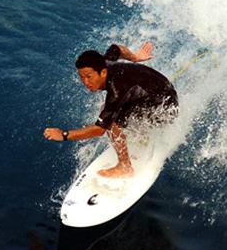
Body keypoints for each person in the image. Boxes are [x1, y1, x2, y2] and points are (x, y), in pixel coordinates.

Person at [44, 42, 178, 178]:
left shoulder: (116, 90)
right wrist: (135, 57)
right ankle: (142, 133)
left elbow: (99, 130)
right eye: (82, 77)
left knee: (111, 121)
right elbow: (117, 48)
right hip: (157, 92)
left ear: (102, 72)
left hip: (165, 108)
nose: (85, 82)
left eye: (89, 76)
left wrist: (65, 135)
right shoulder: (103, 62)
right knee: (111, 112)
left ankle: (125, 167)